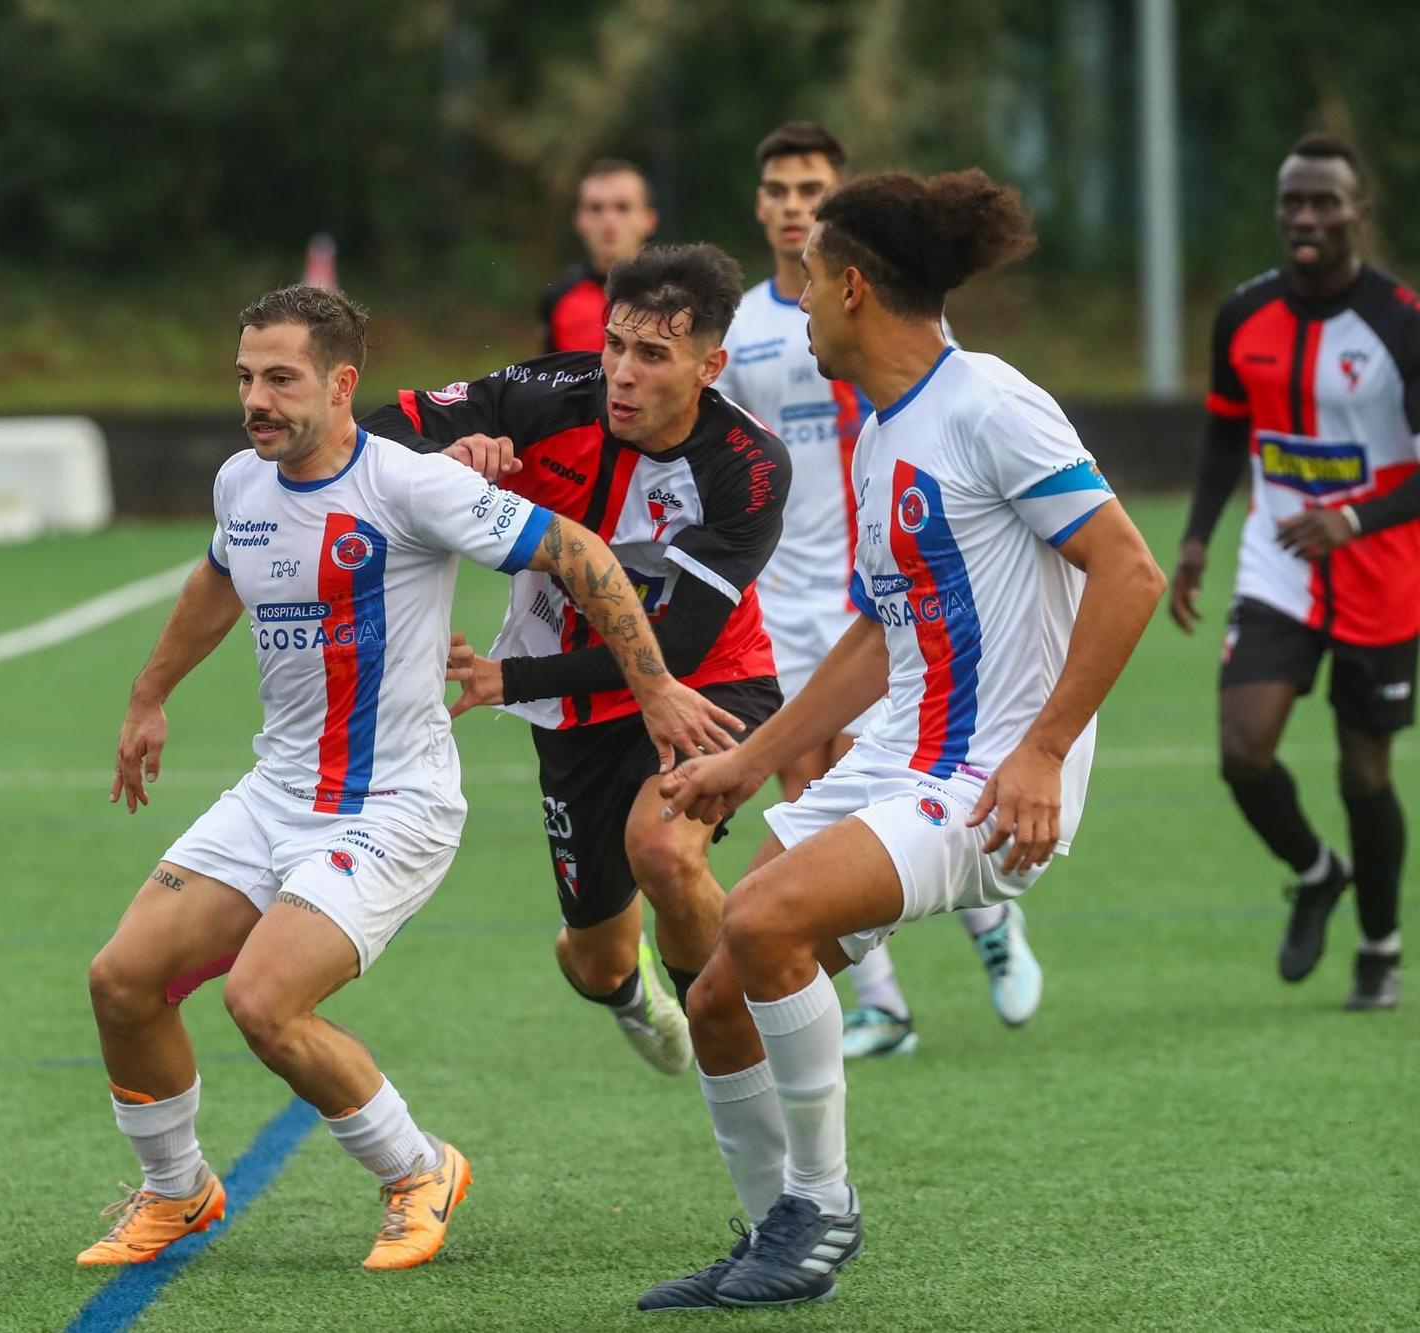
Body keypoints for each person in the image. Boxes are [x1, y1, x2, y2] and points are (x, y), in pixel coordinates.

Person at [81, 285, 737, 1274]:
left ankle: (417, 1169)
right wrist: (148, 695)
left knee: (262, 1004)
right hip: (274, 795)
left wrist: (651, 689)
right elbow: (218, 577)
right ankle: (176, 1193)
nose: (255, 399)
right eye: (245, 378)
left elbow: (579, 552)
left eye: (280, 379)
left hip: (393, 808)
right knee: (123, 981)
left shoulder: (409, 485)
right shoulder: (240, 485)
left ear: (342, 386)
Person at [637, 170, 1165, 1310]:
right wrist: (747, 754)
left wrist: (1039, 750)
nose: (801, 302)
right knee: (719, 999)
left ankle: (819, 1214)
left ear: (852, 286)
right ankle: (771, 1229)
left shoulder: (987, 402)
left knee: (765, 915)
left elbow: (1127, 570)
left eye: (809, 280)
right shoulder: (882, 431)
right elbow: (880, 635)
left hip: (985, 775)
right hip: (898, 757)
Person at [361, 243, 788, 1079]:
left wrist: (506, 677)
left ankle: (740, 1046)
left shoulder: (747, 466)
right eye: (615, 344)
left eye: (653, 355)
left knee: (664, 850)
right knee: (594, 959)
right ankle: (634, 994)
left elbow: (679, 648)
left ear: (711, 366)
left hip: (705, 685)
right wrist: (443, 464)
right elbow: (366, 436)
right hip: (575, 709)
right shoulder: (544, 393)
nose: (622, 373)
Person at [716, 121, 1044, 1059]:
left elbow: (1117, 565)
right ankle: (884, 1004)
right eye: (776, 188)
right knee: (802, 779)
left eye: (809, 187)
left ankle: (984, 921)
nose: (790, 204)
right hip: (798, 582)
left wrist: (1048, 748)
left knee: (879, 779)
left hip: (904, 599)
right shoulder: (747, 330)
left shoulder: (948, 374)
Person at [1170, 132, 1418, 1011]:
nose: (1305, 217)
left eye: (1323, 202)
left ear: (1359, 212)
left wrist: (1353, 515)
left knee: (1365, 774)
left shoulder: (1400, 321)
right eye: (1292, 202)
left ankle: (1380, 948)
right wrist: (1197, 538)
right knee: (1243, 752)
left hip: (1384, 574)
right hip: (1278, 561)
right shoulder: (1244, 314)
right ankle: (1317, 873)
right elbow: (1225, 435)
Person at [539, 159, 659, 353]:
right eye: (596, 208)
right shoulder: (559, 296)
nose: (608, 220)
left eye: (622, 207)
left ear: (649, 220)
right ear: (579, 220)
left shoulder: (675, 295)